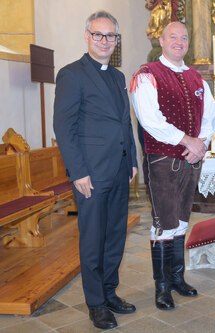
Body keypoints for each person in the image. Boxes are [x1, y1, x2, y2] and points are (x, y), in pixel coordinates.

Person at [53, 11, 138, 330]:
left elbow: (123, 121)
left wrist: (130, 159)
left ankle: (109, 292)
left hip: (118, 169)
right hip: (90, 173)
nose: (105, 41)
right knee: (93, 239)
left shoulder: (117, 77)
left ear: (117, 40)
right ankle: (96, 303)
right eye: (99, 35)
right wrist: (77, 172)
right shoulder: (71, 74)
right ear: (87, 36)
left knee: (115, 235)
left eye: (111, 36)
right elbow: (64, 126)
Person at [130, 21, 215, 311]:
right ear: (162, 40)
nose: (179, 42)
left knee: (180, 221)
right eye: (173, 37)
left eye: (184, 37)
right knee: (163, 223)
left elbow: (210, 117)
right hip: (163, 160)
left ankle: (178, 278)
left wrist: (201, 143)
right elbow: (150, 120)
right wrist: (188, 141)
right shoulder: (146, 75)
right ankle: (162, 287)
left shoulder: (197, 80)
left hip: (191, 161)